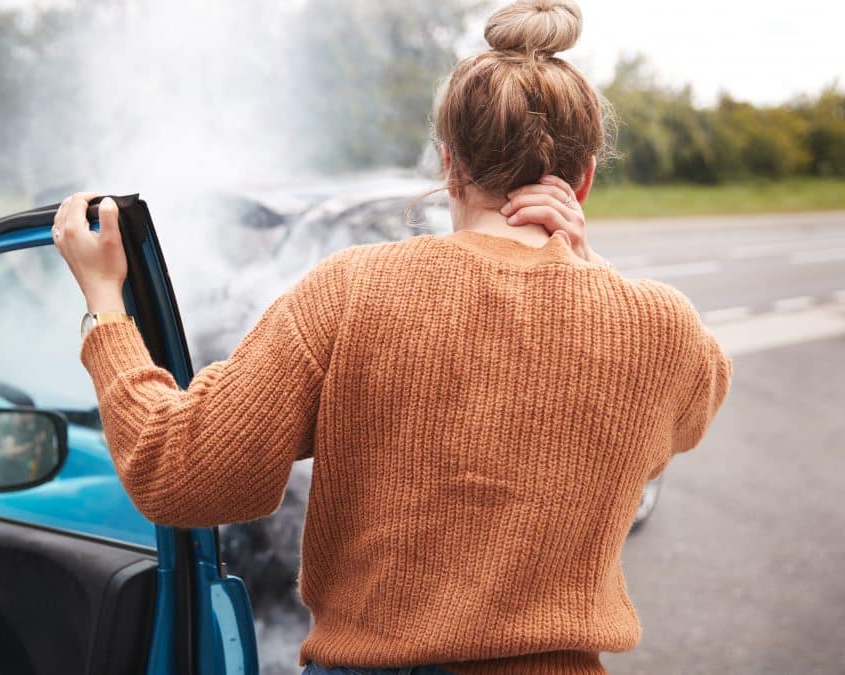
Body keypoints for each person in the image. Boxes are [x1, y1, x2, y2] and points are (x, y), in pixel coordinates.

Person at [53, 1, 731, 672]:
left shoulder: (351, 289)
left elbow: (180, 472)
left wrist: (107, 306)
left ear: (448, 166)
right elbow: (701, 396)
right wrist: (586, 265)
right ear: (583, 179)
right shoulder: (659, 327)